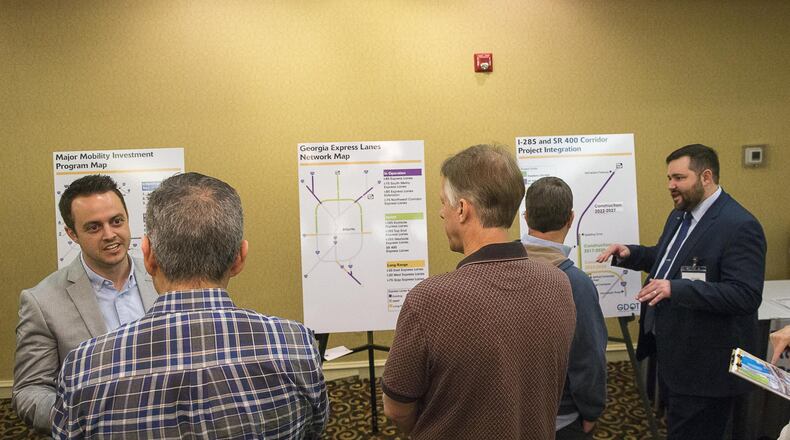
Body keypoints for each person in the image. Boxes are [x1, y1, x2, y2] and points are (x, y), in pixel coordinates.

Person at [52, 172, 328, 438]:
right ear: (240, 258)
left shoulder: (84, 367)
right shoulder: (297, 346)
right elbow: (313, 429)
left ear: (148, 257)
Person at [382, 144, 576, 439]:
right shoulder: (559, 284)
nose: (440, 213)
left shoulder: (428, 300)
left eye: (443, 203)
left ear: (461, 209)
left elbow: (396, 408)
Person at [596, 144, 766, 439]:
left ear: (706, 177)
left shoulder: (739, 225)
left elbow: (745, 295)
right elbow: (667, 261)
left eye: (678, 178)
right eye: (669, 178)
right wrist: (631, 254)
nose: (670, 186)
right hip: (677, 357)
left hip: (707, 369)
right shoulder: (680, 215)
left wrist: (677, 289)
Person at [13, 174, 158, 433]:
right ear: (72, 234)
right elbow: (29, 391)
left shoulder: (163, 277)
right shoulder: (41, 301)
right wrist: (82, 418)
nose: (109, 234)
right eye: (93, 227)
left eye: (116, 221)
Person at [523, 176, 607, 439]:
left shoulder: (499, 270)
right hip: (561, 419)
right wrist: (592, 412)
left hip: (507, 414)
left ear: (526, 217)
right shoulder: (577, 284)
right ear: (571, 219)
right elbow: (588, 357)